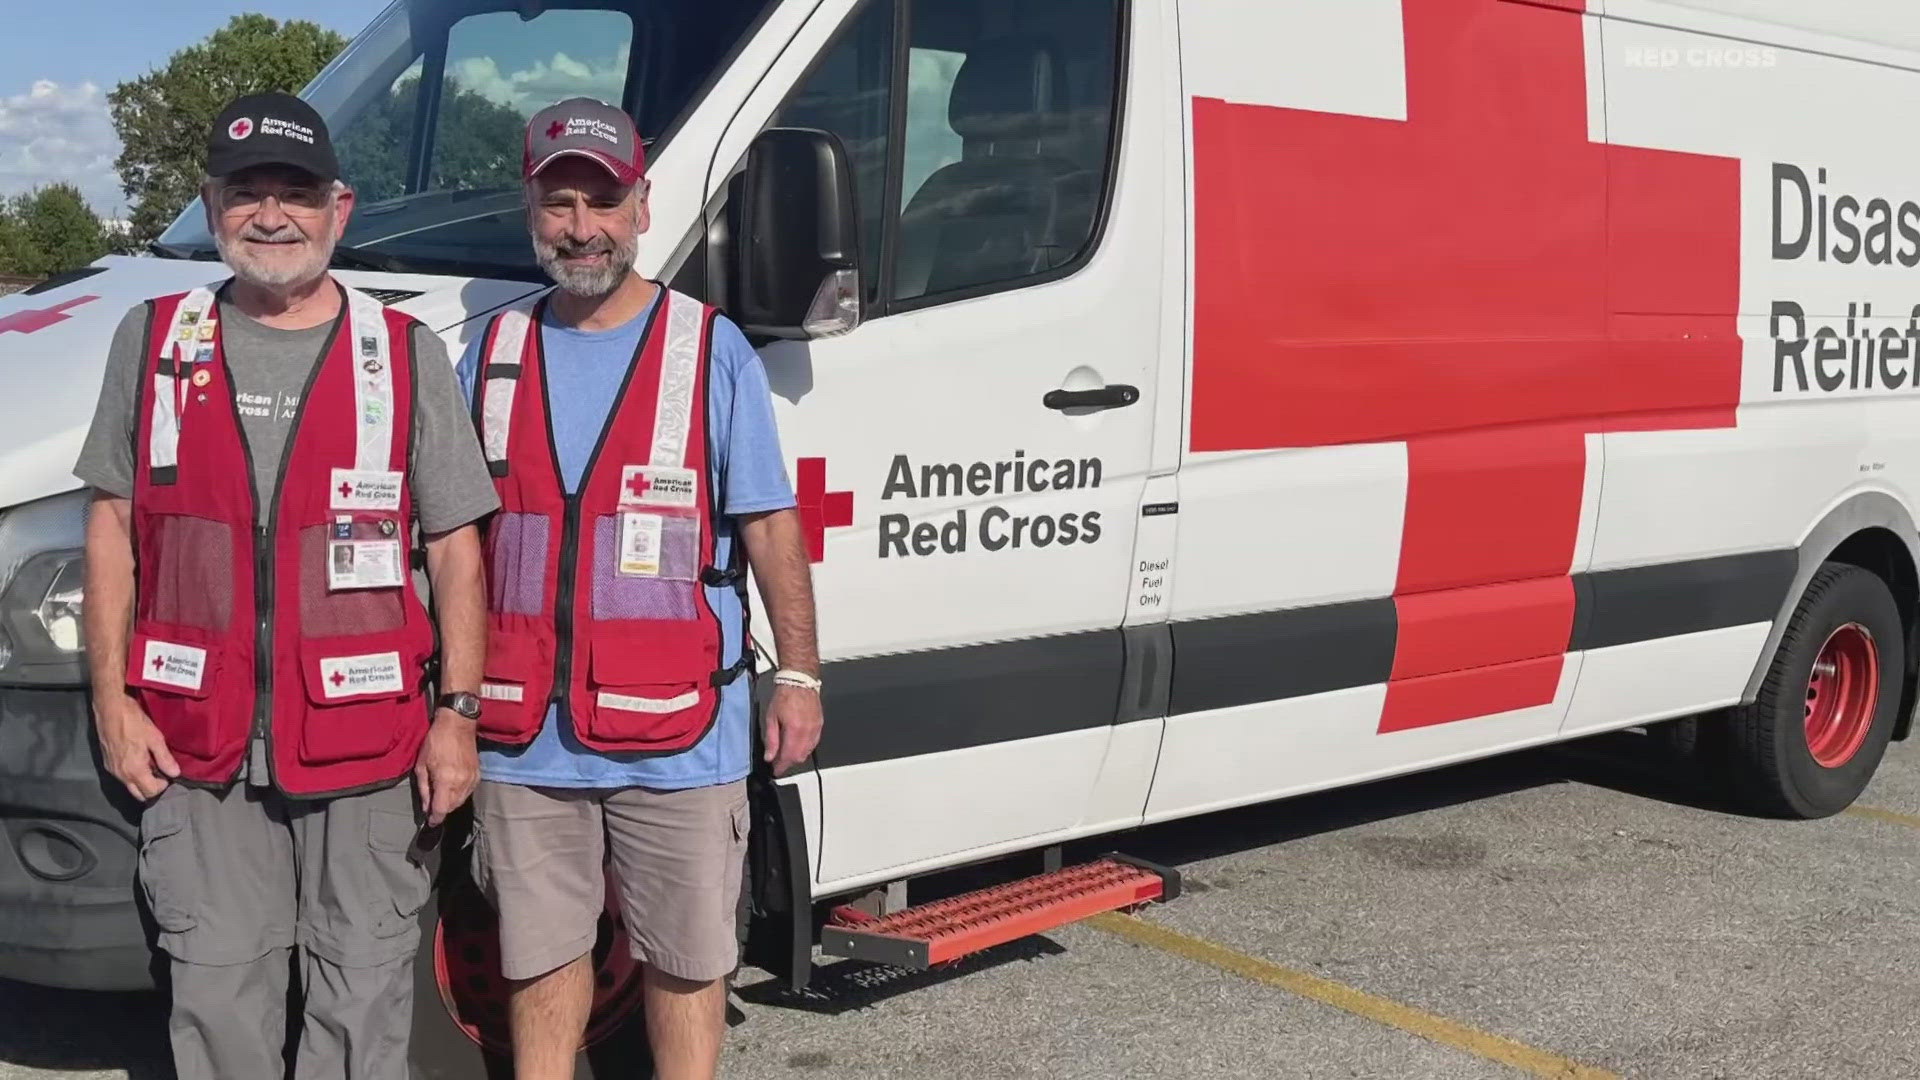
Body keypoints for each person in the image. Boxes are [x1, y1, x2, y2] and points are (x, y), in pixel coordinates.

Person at [75, 91, 499, 1079]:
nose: (273, 214)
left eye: (296, 193)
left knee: (362, 1004)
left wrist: (458, 714)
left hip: (370, 746)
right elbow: (111, 531)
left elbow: (455, 551)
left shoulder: (401, 354)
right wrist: (109, 703)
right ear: (212, 202)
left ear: (339, 209)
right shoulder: (154, 340)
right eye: (247, 191)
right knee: (218, 1003)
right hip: (195, 745)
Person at [455, 97, 824, 1080]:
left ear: (643, 207)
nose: (582, 227)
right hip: (524, 733)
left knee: (689, 963)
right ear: (528, 207)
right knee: (538, 963)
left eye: (603, 201)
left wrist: (800, 676)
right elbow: (447, 548)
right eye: (560, 201)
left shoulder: (711, 352)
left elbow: (770, 527)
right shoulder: (486, 357)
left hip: (682, 731)